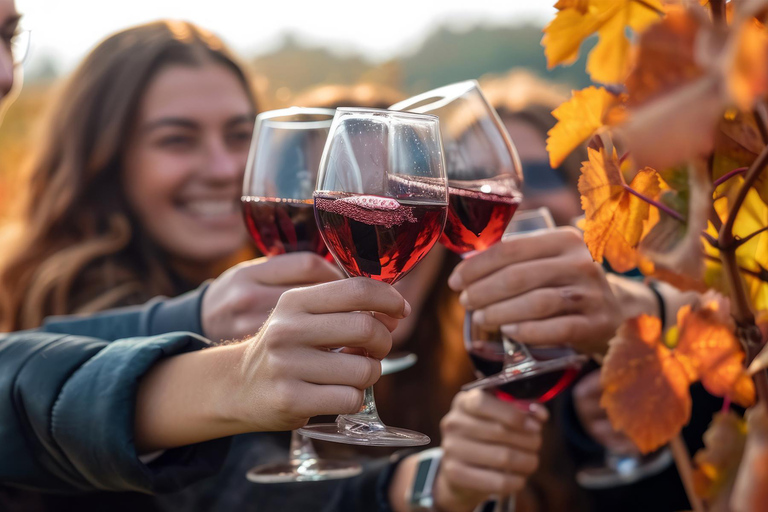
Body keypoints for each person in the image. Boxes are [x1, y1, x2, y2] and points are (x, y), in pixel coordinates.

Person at [0, 16, 548, 512]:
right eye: (177, 140)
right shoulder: (79, 306)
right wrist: (425, 484)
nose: (222, 167)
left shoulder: (256, 285)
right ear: (103, 162)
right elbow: (231, 488)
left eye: (240, 136)